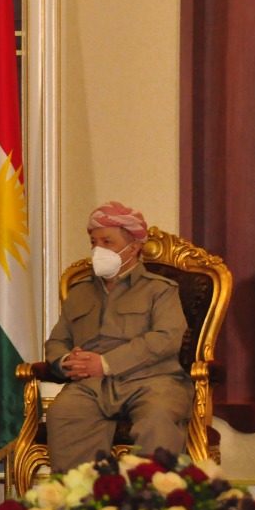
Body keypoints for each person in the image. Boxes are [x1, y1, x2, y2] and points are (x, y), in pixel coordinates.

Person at [43, 201, 192, 473]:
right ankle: (79, 497)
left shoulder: (160, 290)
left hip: (153, 381)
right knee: (63, 412)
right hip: (91, 386)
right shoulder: (80, 291)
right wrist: (66, 361)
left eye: (107, 242)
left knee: (157, 419)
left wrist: (106, 363)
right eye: (94, 242)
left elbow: (165, 338)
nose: (98, 250)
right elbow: (57, 341)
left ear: (133, 247)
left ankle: (152, 497)